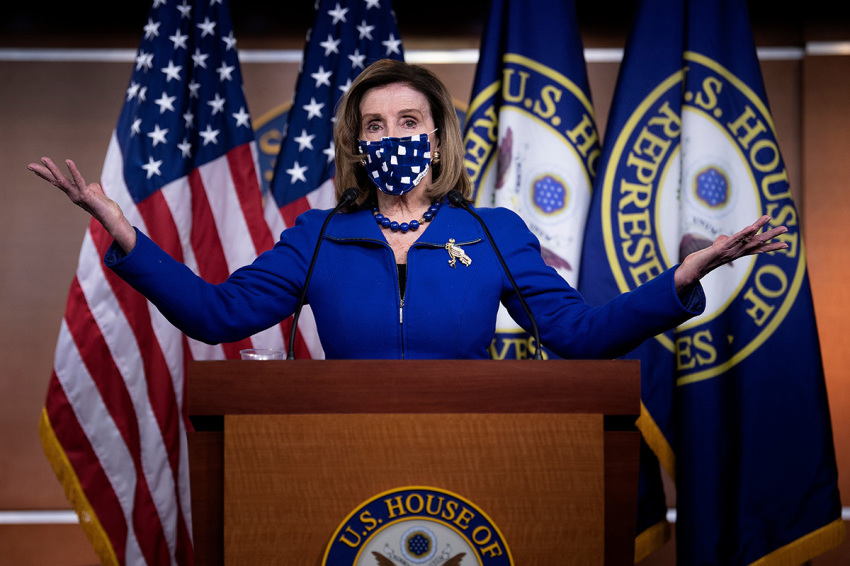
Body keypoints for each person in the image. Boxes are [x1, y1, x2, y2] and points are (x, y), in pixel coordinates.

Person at [28, 59, 788, 360]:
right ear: (357, 147)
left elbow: (579, 334)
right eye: (376, 126)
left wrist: (681, 278)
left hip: (467, 467)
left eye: (410, 123)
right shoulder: (318, 236)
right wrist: (127, 236)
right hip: (340, 466)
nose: (394, 137)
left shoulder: (494, 232)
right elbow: (216, 314)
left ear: (437, 137)